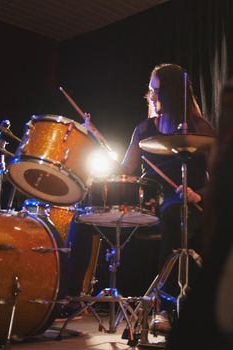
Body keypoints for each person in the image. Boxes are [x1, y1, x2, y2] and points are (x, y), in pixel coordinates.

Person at [59, 63, 215, 332]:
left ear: (172, 93)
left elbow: (223, 178)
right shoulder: (144, 129)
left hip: (186, 206)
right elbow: (125, 171)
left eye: (156, 91)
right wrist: (97, 141)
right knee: (83, 220)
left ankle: (164, 308)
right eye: (151, 90)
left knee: (173, 213)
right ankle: (70, 297)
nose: (151, 96)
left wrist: (197, 193)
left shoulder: (202, 129)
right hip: (148, 205)